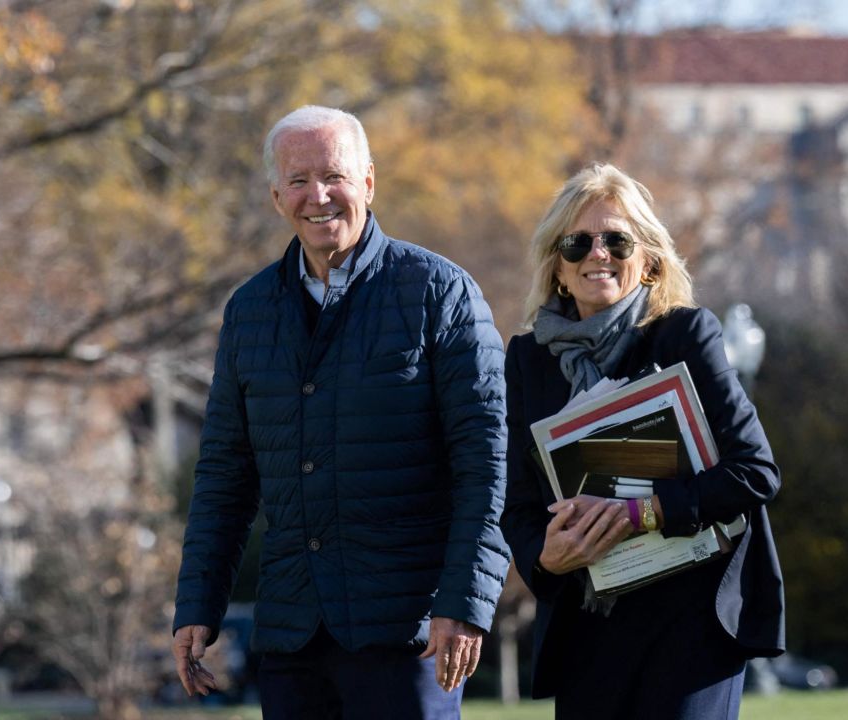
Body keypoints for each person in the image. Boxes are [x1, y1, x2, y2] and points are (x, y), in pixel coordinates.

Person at [171, 105, 510, 719]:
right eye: (298, 181)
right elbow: (224, 475)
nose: (318, 196)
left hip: (409, 633)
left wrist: (464, 603)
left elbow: (486, 467)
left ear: (370, 182)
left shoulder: (441, 293)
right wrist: (197, 606)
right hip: (294, 636)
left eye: (334, 176)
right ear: (277, 197)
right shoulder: (248, 313)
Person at [499, 163, 785, 719]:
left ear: (649, 260)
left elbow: (755, 472)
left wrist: (643, 512)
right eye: (576, 243)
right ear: (557, 266)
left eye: (617, 240)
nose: (596, 254)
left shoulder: (685, 334)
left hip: (692, 622)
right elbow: (517, 505)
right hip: (589, 627)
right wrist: (545, 556)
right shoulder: (528, 361)